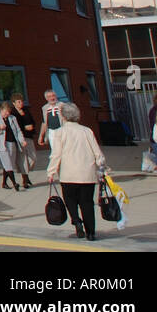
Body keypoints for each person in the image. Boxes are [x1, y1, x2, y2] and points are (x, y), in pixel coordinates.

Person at [46, 102, 108, 241]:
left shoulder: (59, 132)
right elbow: (97, 152)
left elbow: (56, 154)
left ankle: (76, 220)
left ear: (63, 116)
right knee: (87, 203)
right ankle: (91, 232)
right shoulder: (87, 131)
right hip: (87, 174)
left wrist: (51, 171)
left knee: (70, 200)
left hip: (68, 174)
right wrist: (102, 166)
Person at [0, 100, 25, 189]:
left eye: (8, 112)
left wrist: (22, 140)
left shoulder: (12, 118)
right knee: (8, 164)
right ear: (1, 110)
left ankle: (4, 183)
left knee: (9, 165)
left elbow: (18, 130)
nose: (7, 114)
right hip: (1, 145)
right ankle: (15, 183)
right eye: (5, 111)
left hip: (11, 143)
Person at [11, 93, 37, 187]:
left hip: (29, 137)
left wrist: (32, 127)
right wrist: (25, 128)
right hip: (20, 138)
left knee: (33, 158)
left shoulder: (26, 110)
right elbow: (15, 126)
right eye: (19, 102)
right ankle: (25, 180)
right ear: (14, 103)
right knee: (23, 159)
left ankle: (26, 175)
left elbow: (32, 121)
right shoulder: (13, 113)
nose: (21, 103)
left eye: (21, 101)